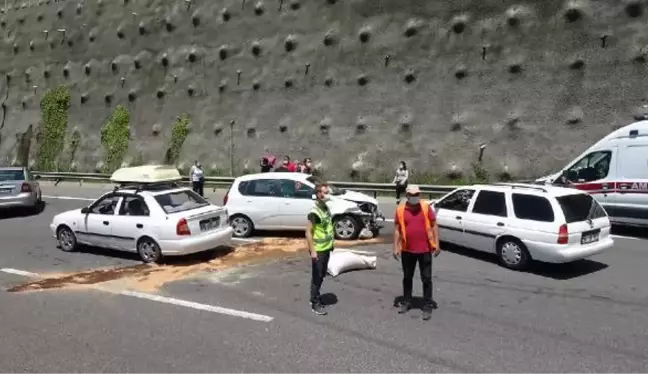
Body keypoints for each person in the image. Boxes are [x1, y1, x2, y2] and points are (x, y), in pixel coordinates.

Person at [393, 185, 440, 321]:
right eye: (412, 195)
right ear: (407, 196)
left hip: (425, 250)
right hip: (407, 250)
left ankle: (427, 304)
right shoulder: (400, 210)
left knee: (426, 278)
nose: (415, 197)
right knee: (407, 277)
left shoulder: (425, 207)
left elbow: (434, 224)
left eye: (417, 194)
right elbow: (397, 229)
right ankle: (407, 301)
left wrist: (437, 243)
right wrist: (395, 247)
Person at [305, 183, 335, 315]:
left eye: (328, 192)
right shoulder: (314, 211)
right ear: (318, 194)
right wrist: (313, 251)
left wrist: (331, 244)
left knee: (322, 275)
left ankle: (315, 296)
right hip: (318, 250)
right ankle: (314, 302)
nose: (327, 194)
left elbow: (327, 227)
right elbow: (308, 232)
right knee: (317, 276)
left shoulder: (325, 208)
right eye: (325, 192)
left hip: (326, 248)